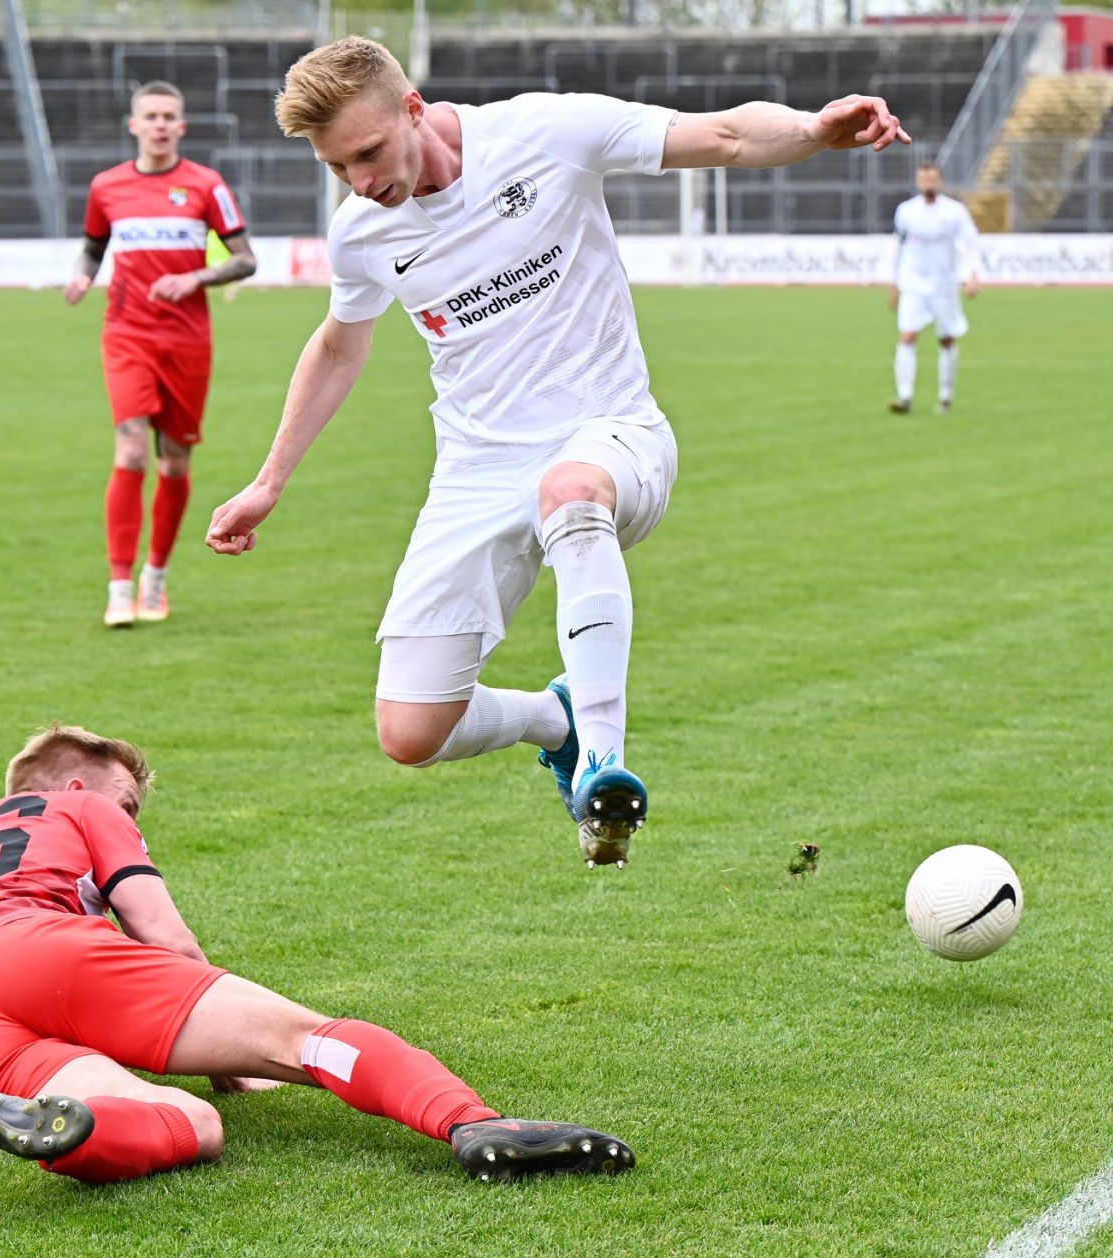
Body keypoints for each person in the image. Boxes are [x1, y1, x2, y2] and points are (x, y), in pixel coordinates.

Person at [205, 37, 912, 867]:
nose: (360, 181)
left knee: (570, 490)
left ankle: (605, 766)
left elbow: (719, 135)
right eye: (338, 167)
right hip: (475, 470)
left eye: (367, 152)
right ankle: (558, 720)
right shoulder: (363, 232)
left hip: (609, 433)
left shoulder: (545, 132)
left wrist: (813, 129)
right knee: (410, 732)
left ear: (413, 106)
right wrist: (268, 481)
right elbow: (337, 347)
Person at [0, 724, 635, 1184]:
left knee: (191, 1125)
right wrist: (228, 1055)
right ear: (74, 784)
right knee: (301, 1040)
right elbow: (163, 934)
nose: (132, 818)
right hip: (42, 947)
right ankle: (471, 1123)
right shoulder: (80, 806)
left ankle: (76, 1130)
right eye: (130, 804)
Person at [65, 81, 257, 628]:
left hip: (187, 341)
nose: (159, 124)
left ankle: (156, 578)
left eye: (169, 116)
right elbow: (94, 246)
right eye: (150, 115)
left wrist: (194, 276)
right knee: (130, 452)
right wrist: (82, 276)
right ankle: (119, 587)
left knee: (174, 459)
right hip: (126, 334)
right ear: (134, 125)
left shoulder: (205, 185)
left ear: (181, 126)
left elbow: (246, 260)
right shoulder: (107, 187)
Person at [888, 163, 981, 415]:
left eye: (932, 180)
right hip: (913, 284)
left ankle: (945, 397)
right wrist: (893, 284)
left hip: (945, 285)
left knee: (947, 339)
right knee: (907, 336)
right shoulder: (906, 211)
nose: (928, 184)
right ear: (918, 182)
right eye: (924, 180)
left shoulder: (955, 211)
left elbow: (970, 242)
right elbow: (897, 247)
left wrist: (972, 275)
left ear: (940, 182)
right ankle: (904, 396)